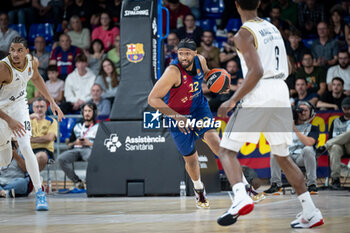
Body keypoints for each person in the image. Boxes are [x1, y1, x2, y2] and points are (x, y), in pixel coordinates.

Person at [216, 0, 323, 228]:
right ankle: (311, 211)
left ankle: (240, 196)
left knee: (226, 150)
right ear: (259, 3)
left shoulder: (243, 35)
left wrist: (233, 99)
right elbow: (290, 66)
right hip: (281, 91)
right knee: (282, 157)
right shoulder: (272, 27)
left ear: (236, 5)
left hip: (260, 91)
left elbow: (256, 71)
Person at [148, 38, 263, 209]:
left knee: (219, 146)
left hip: (199, 108)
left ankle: (245, 187)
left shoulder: (200, 61)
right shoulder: (172, 72)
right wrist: (176, 116)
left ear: (195, 53)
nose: (183, 57)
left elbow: (209, 75)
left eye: (187, 53)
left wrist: (219, 84)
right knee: (192, 159)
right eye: (180, 54)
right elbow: (152, 99)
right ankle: (199, 189)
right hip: (178, 115)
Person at [0, 37, 64, 211]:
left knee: (27, 148)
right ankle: (6, 143)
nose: (15, 54)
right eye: (12, 50)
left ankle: (39, 193)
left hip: (20, 107)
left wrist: (51, 101)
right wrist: (10, 121)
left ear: (26, 52)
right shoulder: (3, 69)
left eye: (19, 50)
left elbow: (36, 78)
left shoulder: (31, 62)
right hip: (2, 111)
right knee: (4, 160)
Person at [264, 101, 320, 195]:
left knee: (308, 149)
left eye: (305, 110)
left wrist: (294, 128)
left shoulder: (313, 128)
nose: (302, 113)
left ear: (311, 113)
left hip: (301, 158)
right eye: (300, 110)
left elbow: (309, 142)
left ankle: (311, 185)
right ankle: (276, 185)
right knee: (275, 151)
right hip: (287, 158)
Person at [58, 103, 99, 190]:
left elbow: (103, 144)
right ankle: (77, 182)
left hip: (90, 149)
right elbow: (69, 144)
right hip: (76, 150)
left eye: (89, 111)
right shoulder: (77, 126)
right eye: (85, 111)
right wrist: (75, 142)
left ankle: (88, 181)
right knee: (61, 159)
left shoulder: (98, 127)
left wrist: (90, 143)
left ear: (94, 113)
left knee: (93, 157)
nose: (87, 113)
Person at [318, 97, 350, 189]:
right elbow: (331, 137)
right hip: (340, 147)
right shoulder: (336, 121)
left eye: (349, 108)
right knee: (335, 147)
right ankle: (335, 179)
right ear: (342, 108)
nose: (347, 111)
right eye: (345, 108)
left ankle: (325, 145)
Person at [30, 97, 58, 171]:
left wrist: (30, 139)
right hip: (29, 149)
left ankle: (31, 180)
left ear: (46, 108)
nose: (39, 109)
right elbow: (18, 136)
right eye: (37, 107)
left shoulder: (52, 121)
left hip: (45, 150)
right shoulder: (28, 120)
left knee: (40, 156)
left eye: (42, 106)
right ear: (33, 108)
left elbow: (49, 138)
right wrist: (28, 117)